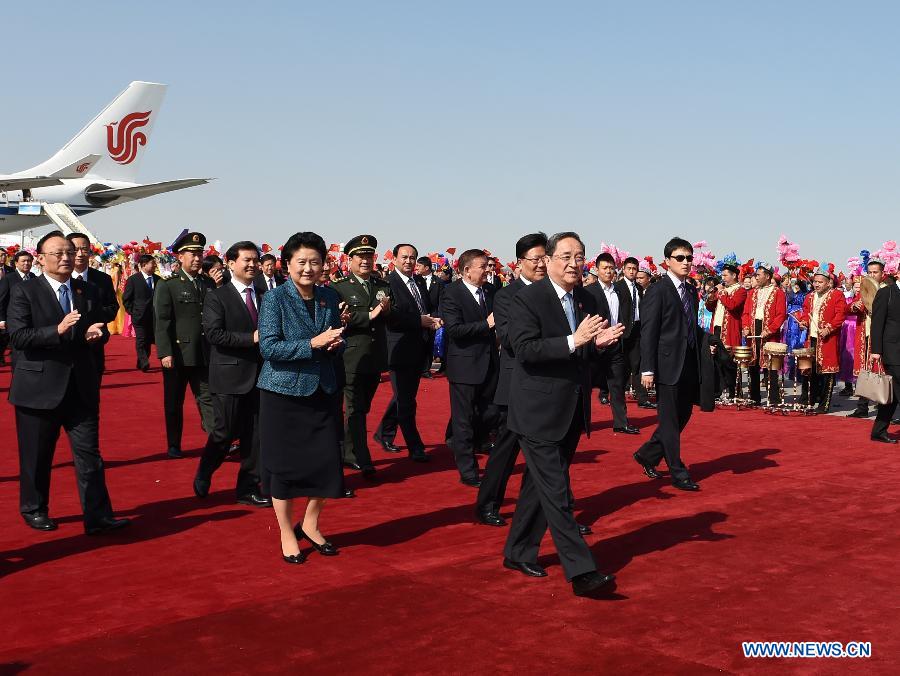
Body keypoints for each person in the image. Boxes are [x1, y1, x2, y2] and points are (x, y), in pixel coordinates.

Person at [502, 231, 623, 596]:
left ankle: (518, 550)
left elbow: (585, 353)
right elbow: (524, 349)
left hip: (572, 408)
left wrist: (597, 345)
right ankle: (582, 571)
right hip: (537, 410)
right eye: (566, 256)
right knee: (557, 491)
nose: (574, 263)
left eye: (580, 256)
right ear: (548, 260)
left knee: (538, 489)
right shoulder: (528, 299)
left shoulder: (586, 298)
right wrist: (576, 340)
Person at [6, 230, 130, 534]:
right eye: (58, 253)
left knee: (89, 456)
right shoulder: (25, 291)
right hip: (38, 388)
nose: (66, 258)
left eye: (69, 252)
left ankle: (97, 515)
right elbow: (18, 337)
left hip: (80, 386)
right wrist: (56, 330)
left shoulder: (85, 290)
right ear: (41, 258)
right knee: (37, 456)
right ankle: (34, 508)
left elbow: (94, 331)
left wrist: (95, 336)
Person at [257, 231, 346, 564]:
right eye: (302, 262)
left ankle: (310, 523)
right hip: (283, 395)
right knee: (285, 469)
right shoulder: (274, 299)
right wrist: (313, 344)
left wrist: (337, 344)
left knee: (327, 464)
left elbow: (337, 338)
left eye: (315, 262)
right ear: (287, 265)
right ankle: (285, 531)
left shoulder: (328, 296)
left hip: (322, 389)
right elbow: (269, 347)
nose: (309, 268)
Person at [476, 232, 546, 526]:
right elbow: (508, 337)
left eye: (546, 257)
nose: (542, 264)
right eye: (536, 259)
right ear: (520, 262)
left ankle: (553, 511)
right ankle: (488, 504)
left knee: (548, 456)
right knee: (506, 450)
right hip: (517, 383)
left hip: (549, 385)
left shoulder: (556, 292)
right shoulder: (506, 295)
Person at [193, 241, 271, 507]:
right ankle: (205, 469)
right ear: (231, 263)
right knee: (224, 433)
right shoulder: (218, 296)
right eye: (246, 260)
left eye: (255, 260)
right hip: (229, 376)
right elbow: (214, 334)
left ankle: (248, 487)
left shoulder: (265, 294)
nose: (252, 265)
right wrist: (252, 337)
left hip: (262, 375)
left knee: (257, 435)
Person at [634, 237, 703, 491]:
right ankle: (678, 471)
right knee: (670, 421)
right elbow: (649, 331)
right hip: (665, 365)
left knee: (682, 415)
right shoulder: (657, 290)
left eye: (689, 258)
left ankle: (648, 454)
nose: (686, 262)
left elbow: (691, 326)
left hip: (688, 363)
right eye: (680, 258)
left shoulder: (691, 289)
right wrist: (647, 368)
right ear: (667, 262)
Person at [331, 235, 391, 477]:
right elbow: (338, 321)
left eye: (369, 256)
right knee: (354, 409)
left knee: (363, 408)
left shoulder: (382, 286)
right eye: (360, 256)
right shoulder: (339, 287)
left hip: (375, 358)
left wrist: (386, 312)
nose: (365, 260)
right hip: (351, 359)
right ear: (350, 259)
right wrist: (370, 315)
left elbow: (390, 314)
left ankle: (348, 450)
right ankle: (358, 456)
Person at [154, 231, 216, 458]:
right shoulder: (167, 285)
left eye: (200, 253)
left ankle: (216, 440)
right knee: (174, 402)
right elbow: (162, 321)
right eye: (192, 253)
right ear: (180, 257)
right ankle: (174, 444)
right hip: (178, 353)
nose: (197, 258)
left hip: (203, 352)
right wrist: (165, 352)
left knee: (208, 398)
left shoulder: (208, 283)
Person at [374, 243, 439, 462]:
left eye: (413, 258)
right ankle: (415, 446)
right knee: (407, 400)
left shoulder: (418, 281)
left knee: (404, 396)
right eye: (404, 257)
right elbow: (390, 317)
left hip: (418, 346)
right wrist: (419, 321)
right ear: (394, 259)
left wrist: (432, 319)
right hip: (398, 348)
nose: (409, 261)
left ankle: (384, 432)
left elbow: (425, 308)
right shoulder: (387, 284)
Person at [441, 248, 500, 486]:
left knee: (492, 413)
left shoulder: (491, 291)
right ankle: (468, 469)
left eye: (488, 266)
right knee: (463, 420)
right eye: (482, 266)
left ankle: (474, 442)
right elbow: (454, 330)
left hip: (490, 364)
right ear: (466, 270)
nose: (488, 270)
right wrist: (485, 325)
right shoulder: (451, 293)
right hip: (464, 366)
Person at [585, 252, 639, 435]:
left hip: (616, 345)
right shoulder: (589, 292)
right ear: (597, 270)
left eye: (611, 268)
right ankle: (580, 422)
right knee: (586, 385)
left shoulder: (618, 290)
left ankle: (621, 422)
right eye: (604, 268)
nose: (608, 271)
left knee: (617, 385)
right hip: (595, 346)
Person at [67, 233, 120, 380]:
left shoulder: (103, 279)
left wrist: (90, 319)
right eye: (75, 249)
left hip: (94, 344)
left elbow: (112, 307)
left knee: (91, 393)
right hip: (64, 346)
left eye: (84, 249)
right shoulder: (60, 277)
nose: (80, 254)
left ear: (90, 252)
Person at [796, 267, 847, 413]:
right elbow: (805, 313)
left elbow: (840, 315)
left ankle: (824, 404)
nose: (816, 285)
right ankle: (810, 399)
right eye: (815, 282)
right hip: (811, 337)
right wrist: (803, 322)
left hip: (827, 339)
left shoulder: (837, 295)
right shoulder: (810, 296)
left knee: (827, 372)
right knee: (810, 370)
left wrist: (829, 328)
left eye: (820, 282)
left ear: (828, 283)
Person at [848, 259, 890, 418]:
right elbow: (849, 308)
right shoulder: (864, 288)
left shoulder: (888, 290)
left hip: (882, 336)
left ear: (883, 274)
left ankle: (883, 406)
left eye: (875, 272)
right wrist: (856, 305)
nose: (872, 275)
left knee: (881, 371)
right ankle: (862, 407)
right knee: (864, 371)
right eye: (870, 272)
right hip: (864, 334)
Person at [741, 262, 787, 406]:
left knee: (770, 365)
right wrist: (746, 326)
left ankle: (774, 398)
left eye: (758, 275)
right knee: (753, 364)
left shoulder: (778, 292)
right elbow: (746, 312)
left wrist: (770, 329)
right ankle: (754, 397)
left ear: (767, 276)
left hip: (769, 331)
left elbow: (781, 315)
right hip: (754, 329)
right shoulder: (753, 292)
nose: (756, 277)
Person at [616, 256, 654, 409]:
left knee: (638, 364)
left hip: (637, 329)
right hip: (622, 331)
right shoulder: (617, 287)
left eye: (634, 269)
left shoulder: (639, 288)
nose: (632, 272)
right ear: (624, 269)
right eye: (629, 269)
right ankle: (609, 393)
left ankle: (643, 398)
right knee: (621, 365)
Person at [706, 263, 746, 398]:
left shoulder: (740, 290)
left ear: (734, 275)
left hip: (730, 329)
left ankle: (734, 392)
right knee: (716, 359)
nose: (722, 277)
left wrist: (721, 293)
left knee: (729, 361)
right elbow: (710, 307)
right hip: (717, 327)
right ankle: (717, 391)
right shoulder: (721, 290)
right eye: (721, 275)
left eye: (725, 275)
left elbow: (732, 305)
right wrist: (712, 295)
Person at [869, 275, 900, 443]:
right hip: (892, 350)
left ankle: (878, 430)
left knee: (893, 394)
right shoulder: (886, 292)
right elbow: (877, 322)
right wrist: (876, 350)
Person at [123, 254, 161, 371]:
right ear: (144, 265)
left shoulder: (158, 280)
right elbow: (126, 299)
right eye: (152, 263)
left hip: (154, 317)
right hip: (139, 316)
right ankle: (144, 361)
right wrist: (133, 312)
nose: (155, 265)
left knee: (149, 340)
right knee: (141, 339)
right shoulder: (133, 280)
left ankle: (141, 361)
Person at [0, 250, 36, 365]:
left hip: (31, 318)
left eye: (29, 261)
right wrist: (2, 319)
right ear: (16, 263)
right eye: (23, 261)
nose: (26, 263)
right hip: (13, 318)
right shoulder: (8, 278)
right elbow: (2, 300)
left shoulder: (34, 277)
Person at [416, 255, 443, 377]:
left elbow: (442, 301)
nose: (417, 268)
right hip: (418, 316)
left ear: (426, 267)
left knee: (429, 343)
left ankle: (425, 369)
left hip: (433, 317)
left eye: (419, 266)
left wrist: (439, 317)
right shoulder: (414, 280)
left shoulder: (438, 282)